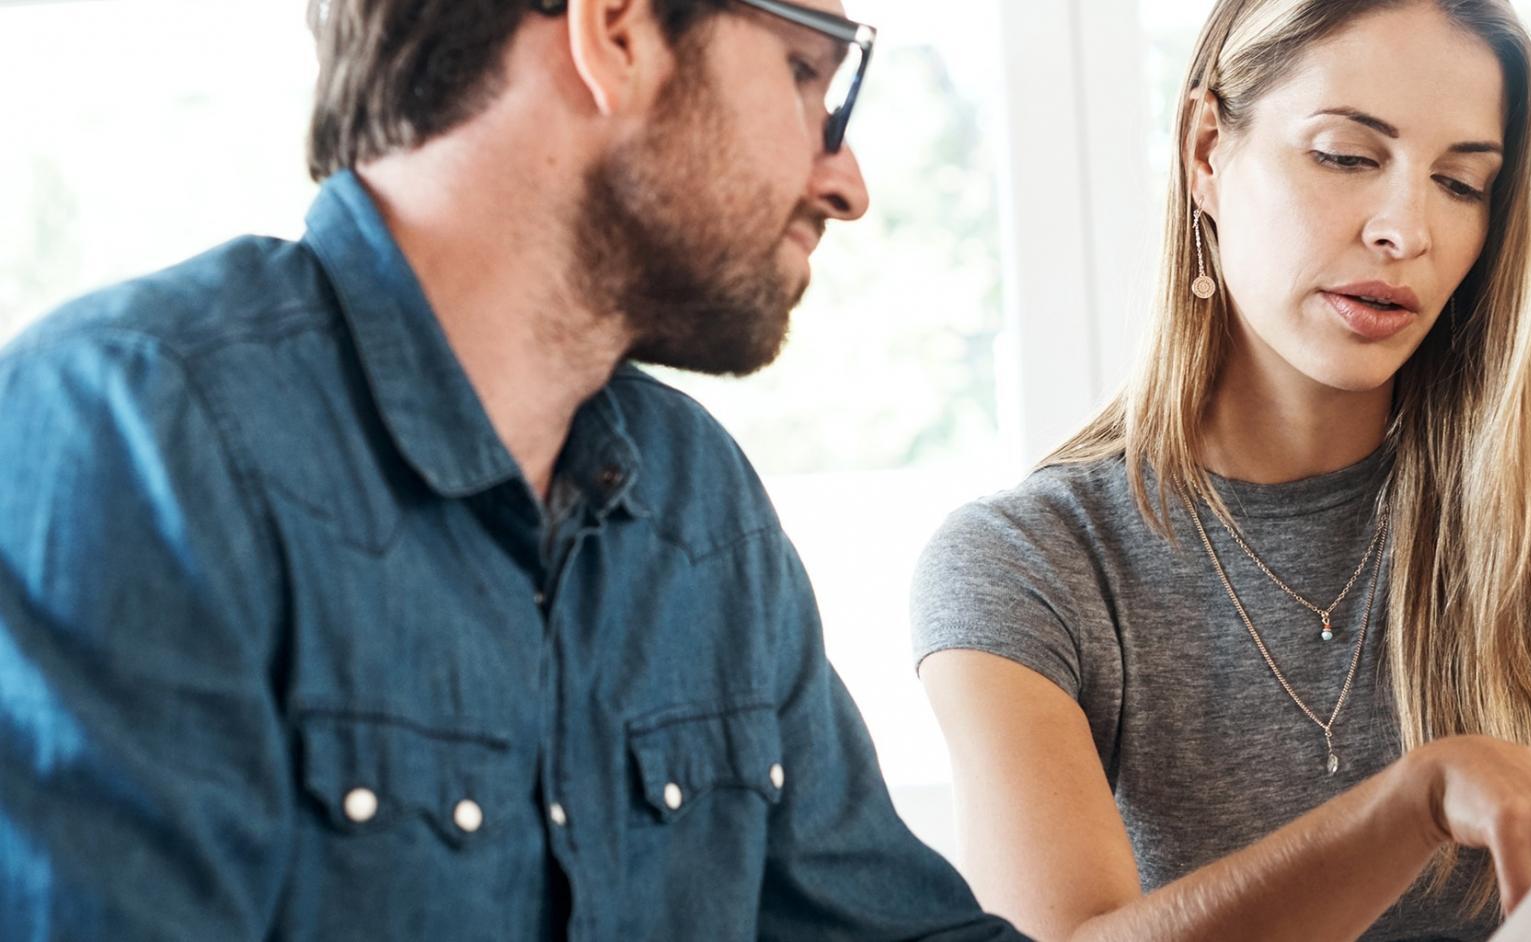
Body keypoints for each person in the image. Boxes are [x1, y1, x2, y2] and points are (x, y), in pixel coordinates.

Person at [0, 0, 1021, 938]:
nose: (846, 186)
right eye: (806, 72)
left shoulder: (701, 507)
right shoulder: (130, 433)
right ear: (614, 33)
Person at [911, 0, 1531, 939]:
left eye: (1460, 183)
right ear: (1206, 151)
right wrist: (1415, 800)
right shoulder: (1026, 565)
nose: (1405, 229)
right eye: (1346, 157)